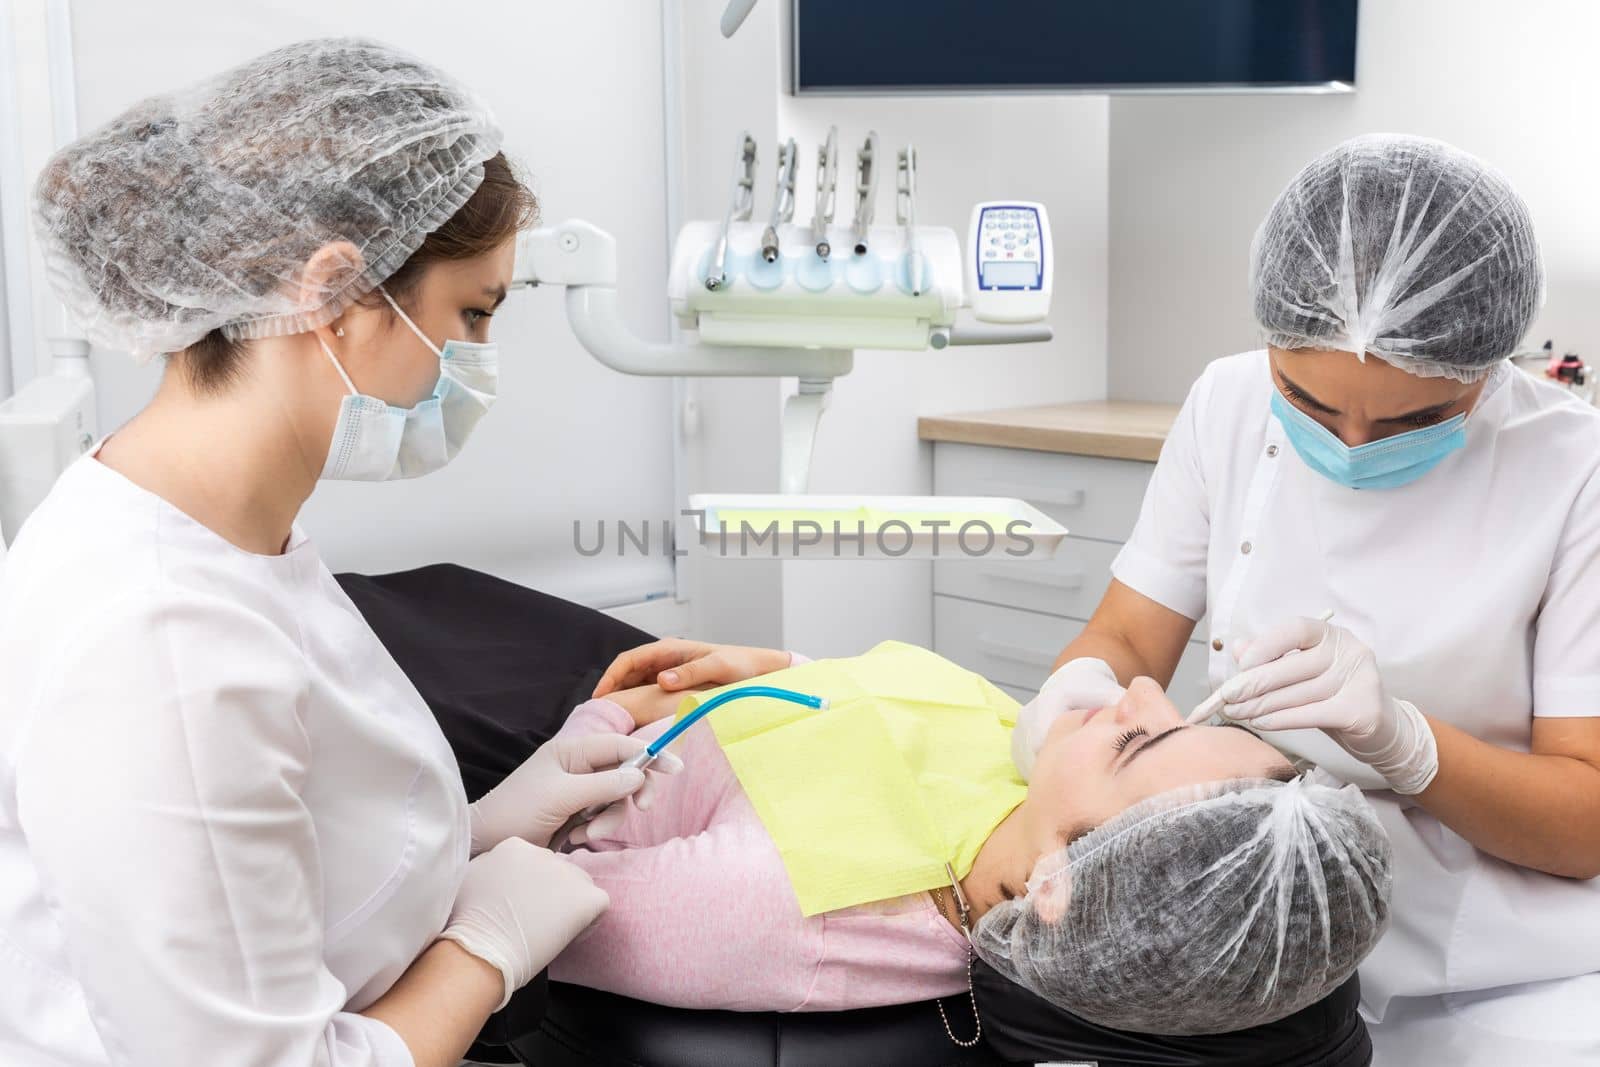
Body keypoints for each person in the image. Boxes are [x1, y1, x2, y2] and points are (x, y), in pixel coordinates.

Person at [0, 39, 680, 1067]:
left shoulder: (214, 523)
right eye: (472, 314)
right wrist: (483, 943)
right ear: (334, 290)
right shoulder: (159, 641)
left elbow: (277, 851)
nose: (477, 364)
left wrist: (485, 827)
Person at [1002, 134, 1600, 1065]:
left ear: (1490, 362)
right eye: (1308, 403)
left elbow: (1585, 820)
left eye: (1412, 420)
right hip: (1244, 952)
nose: (1355, 445)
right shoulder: (1226, 402)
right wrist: (1077, 707)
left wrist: (1407, 743)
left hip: (1495, 972)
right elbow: (1127, 631)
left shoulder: (1576, 469)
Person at [550, 644, 1391, 1040]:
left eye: (1138, 741)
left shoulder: (792, 907)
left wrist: (605, 721)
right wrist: (783, 673)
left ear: (1061, 882)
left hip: (575, 742)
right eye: (1184, 713)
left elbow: (522, 902)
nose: (1141, 688)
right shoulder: (1028, 793)